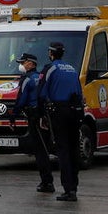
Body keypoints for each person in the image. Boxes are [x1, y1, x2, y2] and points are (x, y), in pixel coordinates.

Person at [38, 41, 85, 202]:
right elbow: (79, 93)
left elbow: (41, 93)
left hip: (59, 111)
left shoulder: (50, 69)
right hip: (75, 111)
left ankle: (68, 188)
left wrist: (41, 115)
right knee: (74, 150)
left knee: (63, 150)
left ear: (51, 53)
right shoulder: (72, 69)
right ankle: (74, 188)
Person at [11, 51, 53, 192]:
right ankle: (47, 181)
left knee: (40, 151)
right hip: (45, 117)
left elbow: (21, 100)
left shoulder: (27, 79)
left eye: (23, 63)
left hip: (34, 118)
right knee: (45, 149)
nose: (21, 65)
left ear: (31, 64)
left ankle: (47, 182)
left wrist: (13, 116)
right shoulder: (41, 77)